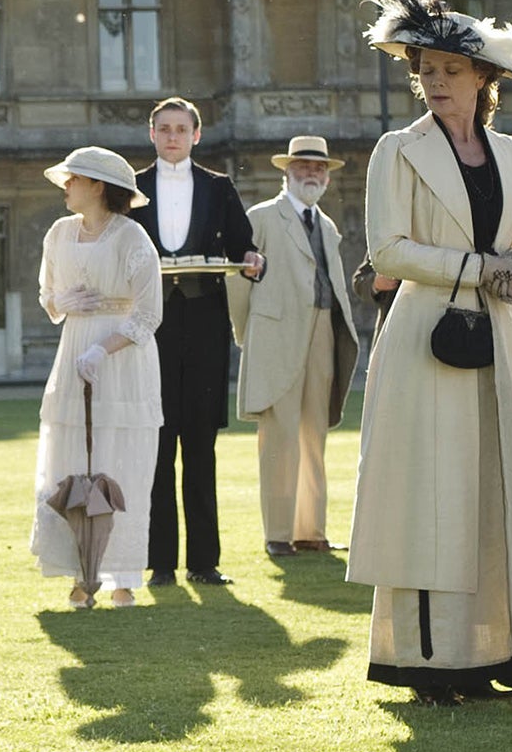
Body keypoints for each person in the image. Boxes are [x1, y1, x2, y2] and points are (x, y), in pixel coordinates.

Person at [345, 0, 512, 705]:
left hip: (499, 339)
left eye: (449, 70)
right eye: (426, 71)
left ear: (483, 78)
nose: (435, 81)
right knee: (428, 495)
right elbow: (388, 252)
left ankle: (507, 649)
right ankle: (430, 661)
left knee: (496, 490)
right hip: (421, 339)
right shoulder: (396, 150)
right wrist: (482, 267)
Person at [129, 97, 261, 586]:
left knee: (201, 447)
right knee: (157, 446)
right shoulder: (134, 188)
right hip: (151, 327)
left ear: (196, 136)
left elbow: (243, 246)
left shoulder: (218, 187)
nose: (172, 137)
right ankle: (160, 564)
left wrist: (253, 260)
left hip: (205, 325)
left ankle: (204, 563)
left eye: (181, 129)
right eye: (163, 129)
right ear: (152, 133)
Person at [31, 146, 164, 610]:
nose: (66, 187)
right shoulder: (58, 233)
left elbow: (149, 314)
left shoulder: (132, 238)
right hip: (72, 353)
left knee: (121, 462)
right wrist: (63, 303)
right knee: (71, 460)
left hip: (122, 360)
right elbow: (48, 295)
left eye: (74, 179)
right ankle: (79, 574)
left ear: (98, 187)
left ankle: (123, 577)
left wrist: (101, 350)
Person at [236, 136, 359, 557]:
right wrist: (250, 335)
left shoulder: (327, 225)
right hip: (278, 336)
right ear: (285, 171)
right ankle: (277, 534)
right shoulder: (263, 217)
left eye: (319, 168)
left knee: (314, 436)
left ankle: (311, 531)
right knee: (279, 438)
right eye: (304, 166)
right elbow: (237, 281)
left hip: (324, 331)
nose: (312, 173)